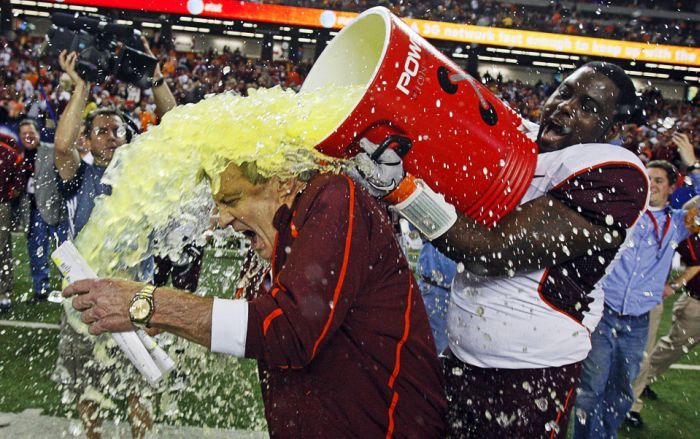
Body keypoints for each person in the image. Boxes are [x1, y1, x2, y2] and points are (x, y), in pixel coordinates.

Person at [351, 62, 649, 437]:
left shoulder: (617, 175)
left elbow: (493, 253)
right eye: (566, 91)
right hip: (460, 356)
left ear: (613, 130)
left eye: (588, 107)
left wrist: (403, 191)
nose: (566, 107)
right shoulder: (517, 139)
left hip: (531, 373)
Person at [63, 162, 448, 437]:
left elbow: (289, 331)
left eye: (231, 199)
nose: (224, 219)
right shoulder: (278, 234)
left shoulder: (334, 197)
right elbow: (254, 328)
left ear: (282, 182)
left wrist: (146, 303)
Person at [52, 40, 177, 439]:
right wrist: (81, 90)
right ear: (86, 141)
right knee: (87, 389)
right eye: (100, 131)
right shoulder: (80, 178)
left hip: (135, 294)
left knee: (141, 387)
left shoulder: (143, 179)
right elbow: (59, 146)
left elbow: (176, 129)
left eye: (117, 130)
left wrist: (155, 77)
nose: (111, 136)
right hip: (84, 300)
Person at [572, 154, 700, 437]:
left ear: (670, 188)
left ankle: (605, 434)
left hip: (637, 322)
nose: (651, 184)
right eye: (648, 178)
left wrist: (694, 168)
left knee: (621, 392)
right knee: (591, 388)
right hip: (604, 315)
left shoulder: (678, 224)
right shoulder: (623, 213)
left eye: (658, 180)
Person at [626, 233, 700, 428]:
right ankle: (632, 400)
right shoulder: (690, 213)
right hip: (694, 301)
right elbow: (692, 256)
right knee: (665, 348)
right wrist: (673, 285)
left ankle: (637, 390)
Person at [18, 118, 69, 301]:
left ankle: (72, 289)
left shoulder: (51, 151)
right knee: (37, 252)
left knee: (64, 252)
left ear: (38, 133)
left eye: (31, 133)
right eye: (24, 134)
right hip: (32, 211)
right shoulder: (19, 155)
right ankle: (41, 290)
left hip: (54, 208)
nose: (28, 137)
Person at [0, 133, 24, 312]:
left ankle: (3, 291)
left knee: (2, 248)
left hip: (1, 204)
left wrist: (11, 191)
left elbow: (18, 181)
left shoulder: (7, 144)